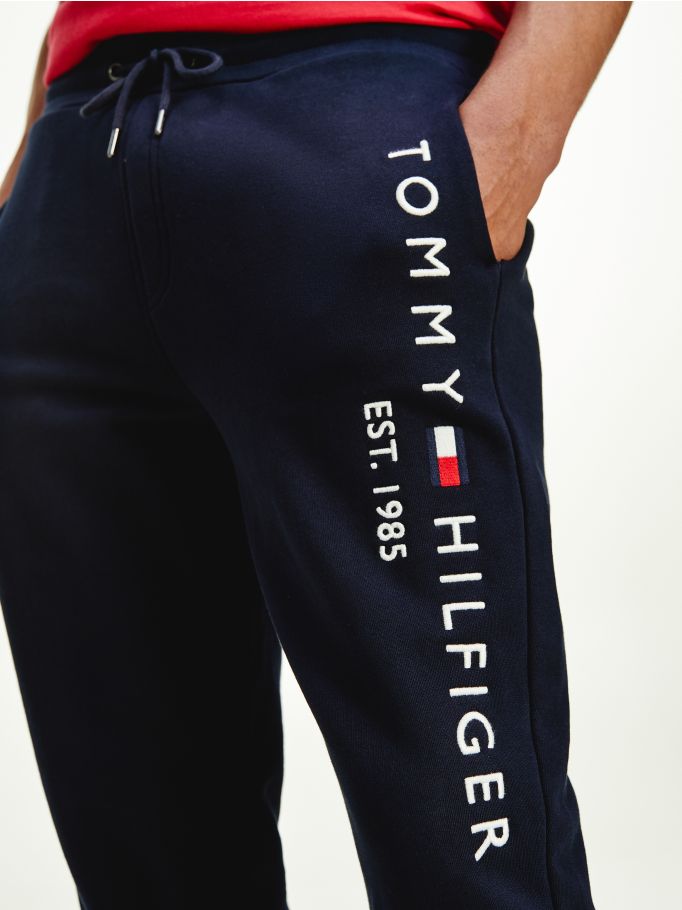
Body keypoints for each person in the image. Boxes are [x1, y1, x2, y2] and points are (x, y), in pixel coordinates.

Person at [0, 2, 631, 909]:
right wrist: (31, 165)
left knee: (466, 855)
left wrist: (515, 139)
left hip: (354, 130)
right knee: (147, 858)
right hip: (81, 158)